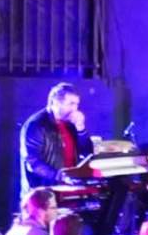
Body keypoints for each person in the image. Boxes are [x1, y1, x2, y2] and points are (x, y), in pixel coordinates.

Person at [18, 80, 94, 208]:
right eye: (71, 104)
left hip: (68, 194)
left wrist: (81, 128)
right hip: (41, 198)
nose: (75, 109)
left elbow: (87, 153)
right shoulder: (36, 125)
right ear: (55, 102)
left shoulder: (71, 124)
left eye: (77, 104)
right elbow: (33, 163)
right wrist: (59, 176)